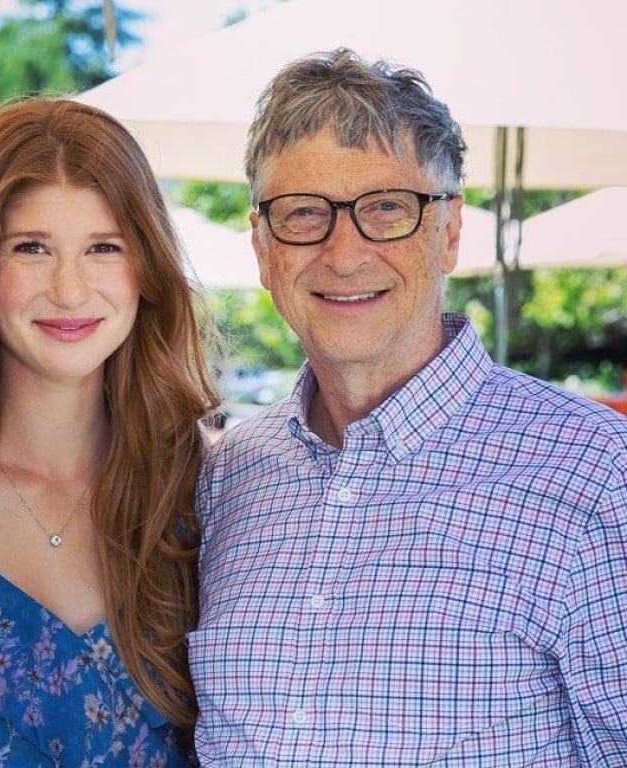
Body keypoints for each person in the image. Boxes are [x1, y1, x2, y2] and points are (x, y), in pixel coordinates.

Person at [189, 48, 627, 766]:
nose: (343, 253)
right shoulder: (226, 478)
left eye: (387, 208)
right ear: (263, 250)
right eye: (303, 213)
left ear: (449, 233)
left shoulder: (597, 475)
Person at [0, 97, 219, 767]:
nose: (70, 289)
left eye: (104, 248)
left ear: (145, 269)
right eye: (31, 248)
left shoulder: (201, 493)